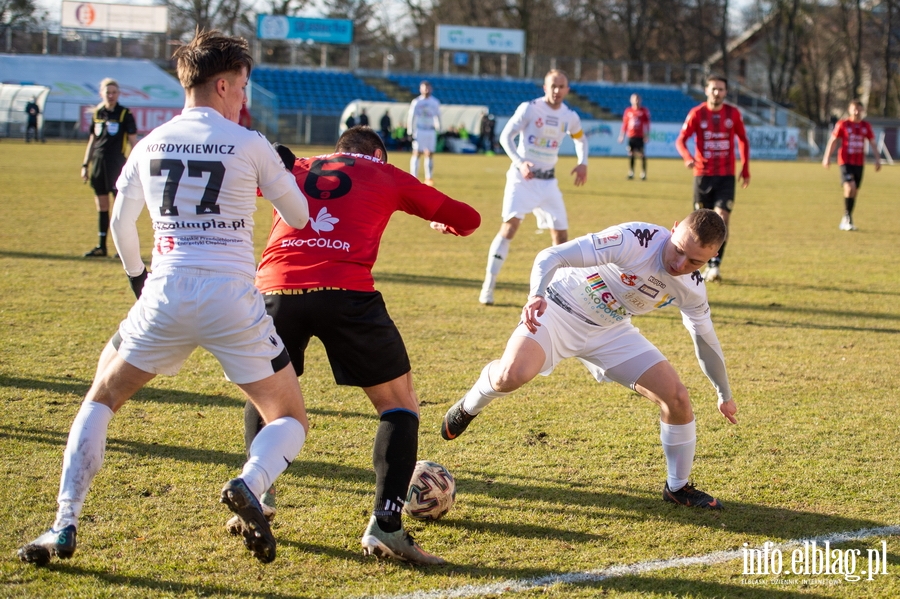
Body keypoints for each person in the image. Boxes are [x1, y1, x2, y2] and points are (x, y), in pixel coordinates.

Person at [18, 29, 311, 567]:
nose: (245, 97)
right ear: (223, 84)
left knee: (100, 399)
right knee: (289, 418)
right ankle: (251, 481)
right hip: (232, 299)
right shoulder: (250, 143)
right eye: (243, 86)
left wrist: (138, 278)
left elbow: (124, 228)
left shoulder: (150, 143)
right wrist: (278, 172)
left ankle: (63, 524)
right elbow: (298, 217)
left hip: (165, 292)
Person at [239, 126, 480, 565]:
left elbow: (241, 178)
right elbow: (469, 218)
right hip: (344, 291)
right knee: (399, 405)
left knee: (267, 392)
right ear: (379, 155)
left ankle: (259, 490)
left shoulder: (297, 166)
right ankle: (386, 526)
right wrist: (445, 221)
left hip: (273, 289)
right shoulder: (385, 174)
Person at [445, 209, 736, 510]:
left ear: (712, 257)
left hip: (611, 331)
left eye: (694, 262)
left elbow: (706, 340)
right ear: (673, 229)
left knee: (676, 397)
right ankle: (469, 405)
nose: (679, 264)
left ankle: (677, 487)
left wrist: (723, 393)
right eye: (678, 250)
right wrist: (536, 295)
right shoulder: (635, 239)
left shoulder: (692, 288)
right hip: (558, 309)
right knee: (510, 375)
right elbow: (551, 255)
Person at [478, 69, 588, 306]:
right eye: (553, 86)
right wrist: (520, 162)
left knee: (561, 237)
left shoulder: (570, 116)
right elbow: (506, 136)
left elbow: (580, 138)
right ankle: (489, 285)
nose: (557, 91)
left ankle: (557, 294)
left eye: (562, 86)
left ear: (568, 90)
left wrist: (583, 162)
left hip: (549, 183)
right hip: (522, 180)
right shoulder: (529, 108)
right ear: (544, 87)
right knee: (510, 227)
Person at [675, 75, 749, 284]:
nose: (717, 93)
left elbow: (743, 139)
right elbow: (681, 140)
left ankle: (715, 265)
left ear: (726, 92)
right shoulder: (697, 113)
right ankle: (693, 264)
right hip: (703, 176)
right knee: (698, 224)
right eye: (714, 89)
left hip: (725, 176)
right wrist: (688, 158)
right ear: (706, 90)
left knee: (722, 219)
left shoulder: (733, 114)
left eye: (721, 89)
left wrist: (745, 167)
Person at [80, 78, 138, 257]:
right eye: (108, 92)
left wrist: (136, 166)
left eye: (114, 92)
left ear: (118, 94)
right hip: (99, 164)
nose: (111, 96)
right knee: (102, 206)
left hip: (117, 165)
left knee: (121, 209)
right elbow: (92, 141)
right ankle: (101, 246)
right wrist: (85, 164)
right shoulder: (98, 113)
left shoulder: (124, 114)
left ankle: (124, 250)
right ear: (101, 94)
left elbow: (133, 142)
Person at [821, 99, 881, 231]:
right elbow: (833, 140)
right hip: (845, 162)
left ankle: (846, 216)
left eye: (859, 109)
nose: (856, 111)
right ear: (849, 110)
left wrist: (877, 159)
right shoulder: (843, 124)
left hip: (859, 163)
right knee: (850, 186)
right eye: (854, 109)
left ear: (862, 110)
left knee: (855, 191)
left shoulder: (866, 126)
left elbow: (872, 143)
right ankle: (847, 217)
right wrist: (827, 157)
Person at [407, 80, 441, 186]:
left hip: (430, 130)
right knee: (417, 153)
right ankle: (413, 177)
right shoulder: (417, 102)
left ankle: (429, 177)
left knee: (429, 153)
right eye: (424, 87)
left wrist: (440, 128)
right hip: (420, 130)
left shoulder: (435, 102)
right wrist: (410, 131)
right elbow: (411, 117)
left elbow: (438, 116)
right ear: (420, 89)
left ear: (431, 89)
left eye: (428, 87)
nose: (426, 90)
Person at [618, 93, 650, 180]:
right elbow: (625, 124)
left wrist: (647, 135)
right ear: (631, 100)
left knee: (642, 155)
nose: (636, 101)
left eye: (637, 99)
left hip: (640, 136)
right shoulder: (628, 111)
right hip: (631, 136)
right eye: (634, 99)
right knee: (631, 154)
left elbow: (647, 124)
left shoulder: (644, 111)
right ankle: (631, 172)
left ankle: (643, 173)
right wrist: (622, 136)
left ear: (640, 100)